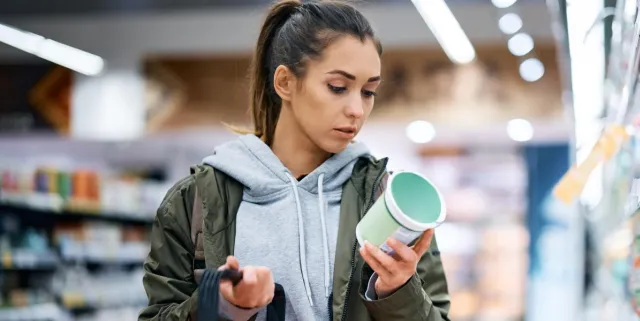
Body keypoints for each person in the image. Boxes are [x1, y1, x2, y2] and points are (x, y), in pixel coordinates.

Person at [138, 1, 450, 320]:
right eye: (338, 87)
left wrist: (398, 292)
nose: (357, 109)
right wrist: (222, 305)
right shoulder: (196, 200)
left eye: (369, 91)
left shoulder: (387, 202)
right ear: (285, 82)